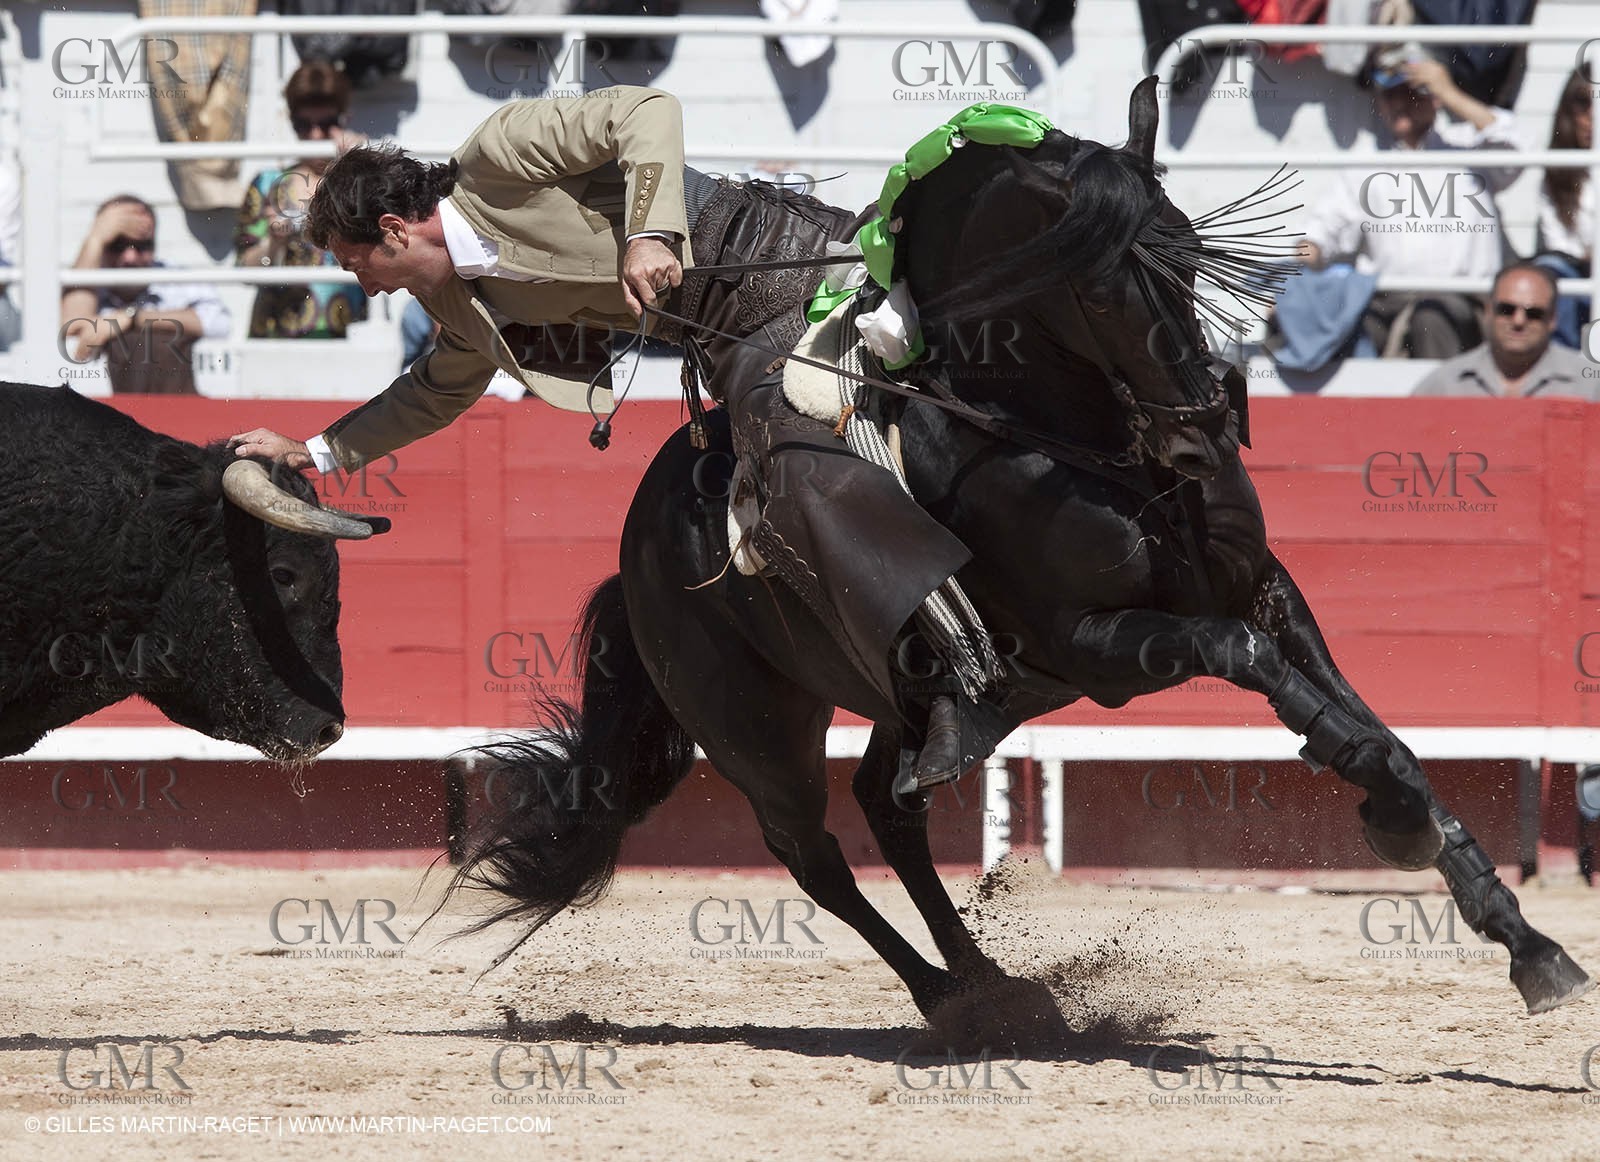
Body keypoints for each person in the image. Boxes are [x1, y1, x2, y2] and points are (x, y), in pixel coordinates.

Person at [228, 88, 980, 788]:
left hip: (786, 266)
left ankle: (941, 679)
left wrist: (648, 232)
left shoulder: (498, 152)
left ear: (392, 229)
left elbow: (646, 109)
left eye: (357, 263)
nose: (366, 286)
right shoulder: (458, 303)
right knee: (757, 513)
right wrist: (318, 452)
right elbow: (434, 390)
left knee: (795, 472)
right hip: (728, 343)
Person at [1296, 46, 1522, 360]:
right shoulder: (1366, 164)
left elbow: (1515, 148)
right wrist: (1296, 266)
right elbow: (1323, 229)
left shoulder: (1469, 147)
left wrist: (1447, 90)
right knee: (1344, 327)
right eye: (1390, 95)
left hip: (1462, 298)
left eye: (1412, 93)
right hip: (1386, 298)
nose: (1400, 104)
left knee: (1431, 318)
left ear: (1434, 98)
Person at [235, 61, 369, 340]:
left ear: (344, 119)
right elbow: (245, 271)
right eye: (303, 125)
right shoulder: (267, 183)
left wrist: (361, 165)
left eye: (327, 124)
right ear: (290, 120)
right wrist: (273, 243)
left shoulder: (363, 178)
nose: (315, 135)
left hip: (348, 338)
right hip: (275, 336)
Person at [59, 195, 232, 394]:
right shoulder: (87, 274)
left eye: (141, 246)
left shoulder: (174, 277)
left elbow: (220, 323)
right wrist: (94, 239)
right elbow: (71, 328)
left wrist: (132, 318)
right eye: (117, 245)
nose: (130, 257)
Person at [1412, 263, 1596, 399]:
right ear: (1488, 311)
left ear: (1553, 319)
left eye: (1534, 313)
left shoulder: (1591, 387)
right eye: (1506, 310)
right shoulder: (1444, 384)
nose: (1519, 321)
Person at [1533, 68, 1595, 352]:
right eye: (1583, 105)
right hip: (1577, 276)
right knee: (1551, 273)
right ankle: (1565, 371)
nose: (1593, 118)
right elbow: (1561, 248)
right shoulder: (1557, 172)